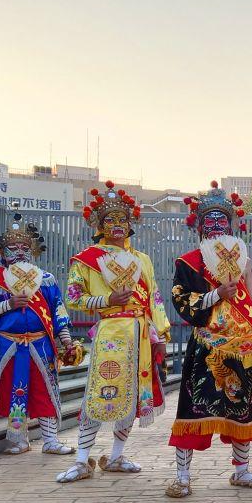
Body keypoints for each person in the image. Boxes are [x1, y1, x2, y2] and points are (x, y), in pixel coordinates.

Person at [56, 182, 170, 483]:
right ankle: (82, 459)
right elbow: (74, 298)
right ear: (99, 224)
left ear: (130, 223)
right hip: (111, 332)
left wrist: (159, 336)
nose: (117, 225)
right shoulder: (87, 259)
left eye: (122, 220)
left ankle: (117, 454)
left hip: (143, 334)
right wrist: (107, 300)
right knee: (99, 393)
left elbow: (154, 298)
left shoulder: (142, 260)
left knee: (134, 396)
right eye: (110, 220)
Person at [165, 182, 252, 497]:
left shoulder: (244, 260)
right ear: (198, 225)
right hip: (206, 346)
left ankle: (241, 470)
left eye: (221, 219)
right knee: (193, 408)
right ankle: (183, 476)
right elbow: (182, 303)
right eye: (209, 219)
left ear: (232, 223)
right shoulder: (189, 262)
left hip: (243, 347)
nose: (215, 225)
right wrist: (215, 295)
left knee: (241, 408)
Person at [0, 211, 77, 455]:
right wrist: (7, 304)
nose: (19, 251)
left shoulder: (46, 280)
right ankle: (19, 439)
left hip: (41, 343)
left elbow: (58, 309)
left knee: (45, 390)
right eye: (12, 247)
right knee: (12, 390)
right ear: (1, 251)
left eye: (24, 247)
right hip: (8, 345)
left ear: (33, 251)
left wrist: (66, 339)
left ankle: (50, 440)